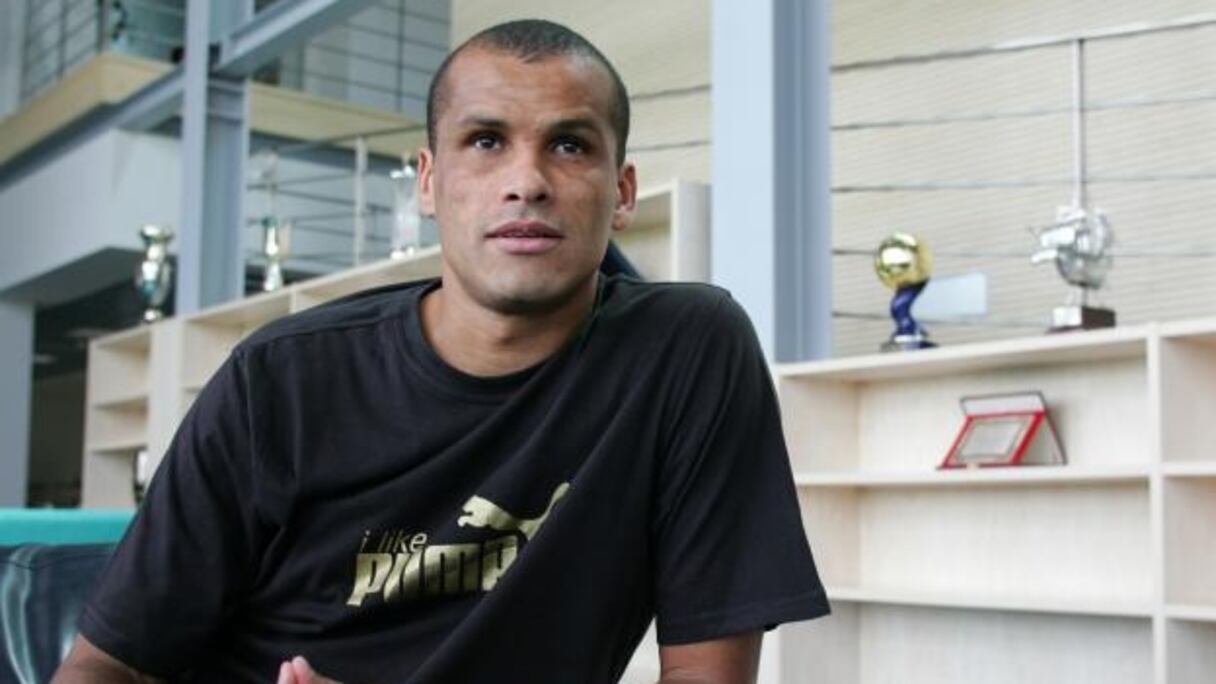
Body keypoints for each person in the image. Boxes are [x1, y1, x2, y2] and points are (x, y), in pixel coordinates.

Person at [52, 19, 829, 684]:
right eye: (486, 141)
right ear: (428, 182)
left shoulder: (685, 353)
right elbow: (103, 667)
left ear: (621, 192)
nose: (527, 181)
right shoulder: (280, 381)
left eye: (569, 145)